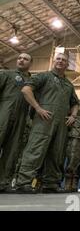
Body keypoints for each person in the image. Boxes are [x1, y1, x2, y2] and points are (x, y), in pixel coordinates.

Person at [16, 53, 79, 193]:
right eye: (58, 59)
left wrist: (73, 116)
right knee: (35, 150)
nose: (60, 61)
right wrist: (38, 108)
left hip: (61, 124)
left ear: (67, 65)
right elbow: (26, 90)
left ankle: (51, 184)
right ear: (53, 61)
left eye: (64, 60)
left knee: (57, 153)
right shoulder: (44, 76)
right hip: (43, 121)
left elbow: (75, 103)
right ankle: (24, 182)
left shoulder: (68, 84)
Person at [0, 53, 32, 193]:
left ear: (30, 63)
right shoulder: (7, 74)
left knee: (12, 151)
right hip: (4, 112)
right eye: (19, 58)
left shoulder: (32, 80)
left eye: (25, 59)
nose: (21, 60)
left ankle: (4, 182)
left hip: (21, 117)